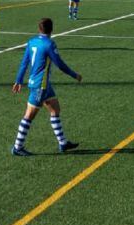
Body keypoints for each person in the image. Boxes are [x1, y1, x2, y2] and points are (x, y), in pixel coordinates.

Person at [10, 18, 82, 156]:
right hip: (40, 86)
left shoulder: (31, 42)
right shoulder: (49, 44)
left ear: (39, 29)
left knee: (55, 110)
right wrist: (75, 75)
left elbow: (24, 63)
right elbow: (60, 64)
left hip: (43, 85)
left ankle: (63, 143)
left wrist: (18, 80)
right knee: (29, 115)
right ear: (51, 29)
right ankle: (17, 147)